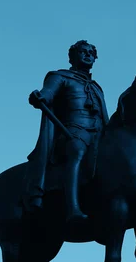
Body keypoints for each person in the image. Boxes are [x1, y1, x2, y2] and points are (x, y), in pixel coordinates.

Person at [25, 40, 109, 226]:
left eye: (91, 53)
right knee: (77, 150)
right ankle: (73, 208)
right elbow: (47, 94)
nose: (88, 55)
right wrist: (39, 97)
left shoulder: (96, 87)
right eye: (83, 52)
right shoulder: (59, 76)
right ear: (72, 57)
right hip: (72, 131)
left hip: (99, 134)